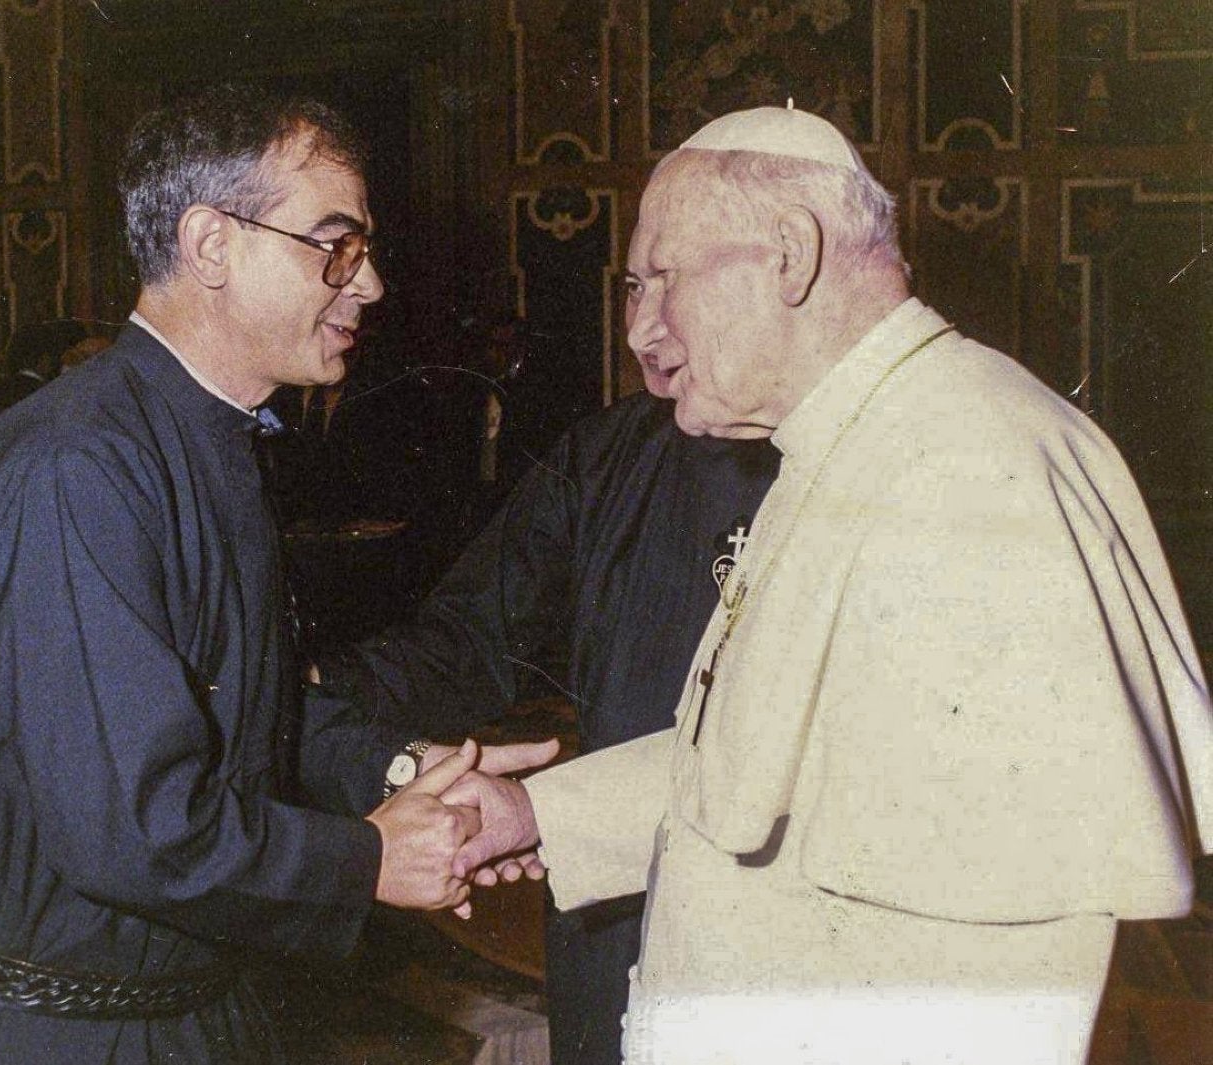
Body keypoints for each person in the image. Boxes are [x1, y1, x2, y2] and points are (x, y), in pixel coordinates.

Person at [452, 105, 1213, 1064]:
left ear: (792, 254)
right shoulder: (852, 441)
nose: (640, 328)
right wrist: (538, 816)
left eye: (662, 279)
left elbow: (999, 969)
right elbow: (774, 769)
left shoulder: (972, 463)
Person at [0, 83, 552, 1065]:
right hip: (43, 1033)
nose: (370, 285)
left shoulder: (209, 437)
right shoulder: (77, 465)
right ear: (212, 245)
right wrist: (367, 860)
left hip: (176, 1005)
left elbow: (239, 711)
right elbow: (132, 828)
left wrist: (402, 769)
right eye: (334, 246)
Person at [313, 353, 779, 1061]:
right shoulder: (608, 454)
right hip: (611, 906)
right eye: (633, 296)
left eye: (669, 291)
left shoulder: (877, 458)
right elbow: (471, 637)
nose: (643, 331)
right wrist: (313, 686)